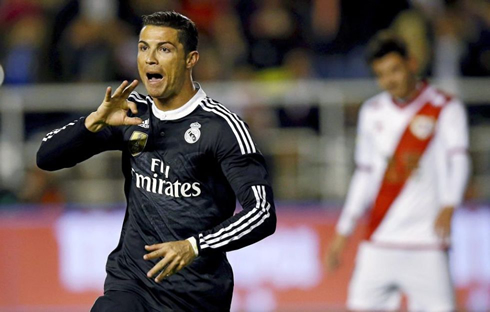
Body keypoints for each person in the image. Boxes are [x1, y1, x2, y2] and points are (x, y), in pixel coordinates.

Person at [37, 11, 276, 312]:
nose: (150, 58)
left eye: (164, 49)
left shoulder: (222, 128)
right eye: (143, 47)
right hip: (131, 284)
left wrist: (194, 246)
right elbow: (45, 157)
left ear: (191, 59)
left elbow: (263, 213)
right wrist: (93, 122)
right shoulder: (130, 113)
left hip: (196, 297)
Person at [325, 33, 470, 311]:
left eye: (394, 70)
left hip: (426, 242)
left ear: (411, 63)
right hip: (380, 240)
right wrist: (344, 230)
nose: (389, 80)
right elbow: (364, 174)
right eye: (381, 75)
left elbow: (460, 160)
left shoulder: (445, 106)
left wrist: (450, 203)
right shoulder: (372, 111)